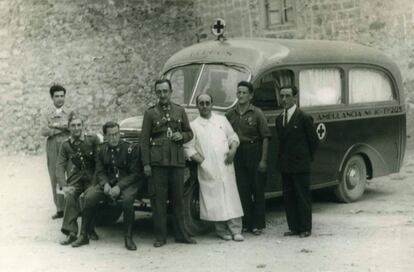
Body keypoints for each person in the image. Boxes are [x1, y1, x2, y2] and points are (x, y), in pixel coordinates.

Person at [140, 79, 196, 247]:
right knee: (158, 201)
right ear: (156, 93)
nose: (162, 95)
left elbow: (189, 132)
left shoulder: (180, 111)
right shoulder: (150, 113)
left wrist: (183, 136)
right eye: (159, 92)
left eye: (165, 91)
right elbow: (144, 141)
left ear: (171, 92)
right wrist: (147, 164)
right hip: (158, 163)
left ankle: (181, 234)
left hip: (177, 162)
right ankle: (160, 236)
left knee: (178, 199)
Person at [72, 121, 143, 250]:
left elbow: (135, 174)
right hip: (108, 183)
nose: (114, 138)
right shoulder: (101, 149)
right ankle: (83, 235)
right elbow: (100, 171)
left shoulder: (130, 149)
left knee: (127, 201)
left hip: (127, 183)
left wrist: (119, 187)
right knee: (89, 197)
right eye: (110, 135)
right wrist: (104, 184)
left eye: (116, 134)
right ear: (105, 136)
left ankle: (128, 237)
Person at [184, 94, 244, 241]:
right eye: (201, 103)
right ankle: (221, 230)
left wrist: (233, 150)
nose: (204, 106)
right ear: (197, 106)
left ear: (212, 104)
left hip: (226, 165)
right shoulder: (194, 126)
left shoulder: (222, 120)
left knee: (231, 196)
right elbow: (188, 148)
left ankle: (236, 230)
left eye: (207, 103)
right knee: (215, 199)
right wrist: (203, 163)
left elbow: (233, 137)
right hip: (208, 168)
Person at [226, 81, 271, 235]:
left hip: (254, 151)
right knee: (242, 189)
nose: (241, 95)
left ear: (251, 95)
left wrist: (263, 160)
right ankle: (246, 223)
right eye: (239, 92)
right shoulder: (231, 114)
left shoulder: (257, 113)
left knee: (257, 189)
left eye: (244, 92)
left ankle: (258, 225)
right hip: (238, 153)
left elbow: (265, 137)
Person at [275, 86, 319, 238]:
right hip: (286, 165)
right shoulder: (280, 118)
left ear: (295, 97)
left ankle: (305, 228)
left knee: (302, 197)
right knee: (289, 197)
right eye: (282, 96)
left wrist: (305, 158)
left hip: (300, 165)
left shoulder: (304, 117)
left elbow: (314, 141)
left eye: (288, 96)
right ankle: (293, 227)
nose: (284, 99)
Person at [55, 112, 100, 245]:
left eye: (79, 125)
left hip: (92, 177)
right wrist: (64, 184)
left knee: (89, 197)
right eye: (73, 125)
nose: (76, 128)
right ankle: (72, 232)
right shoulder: (66, 145)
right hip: (76, 178)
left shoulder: (92, 139)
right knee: (70, 195)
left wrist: (95, 181)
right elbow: (60, 165)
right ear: (69, 127)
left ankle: (89, 229)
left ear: (83, 126)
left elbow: (99, 162)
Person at [40, 84, 70, 219]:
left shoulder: (70, 113)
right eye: (56, 96)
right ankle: (60, 208)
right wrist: (61, 128)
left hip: (68, 145)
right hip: (52, 146)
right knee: (55, 176)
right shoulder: (46, 113)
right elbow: (44, 131)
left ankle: (74, 207)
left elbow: (73, 127)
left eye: (62, 96)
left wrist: (54, 126)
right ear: (52, 97)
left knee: (71, 174)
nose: (59, 99)